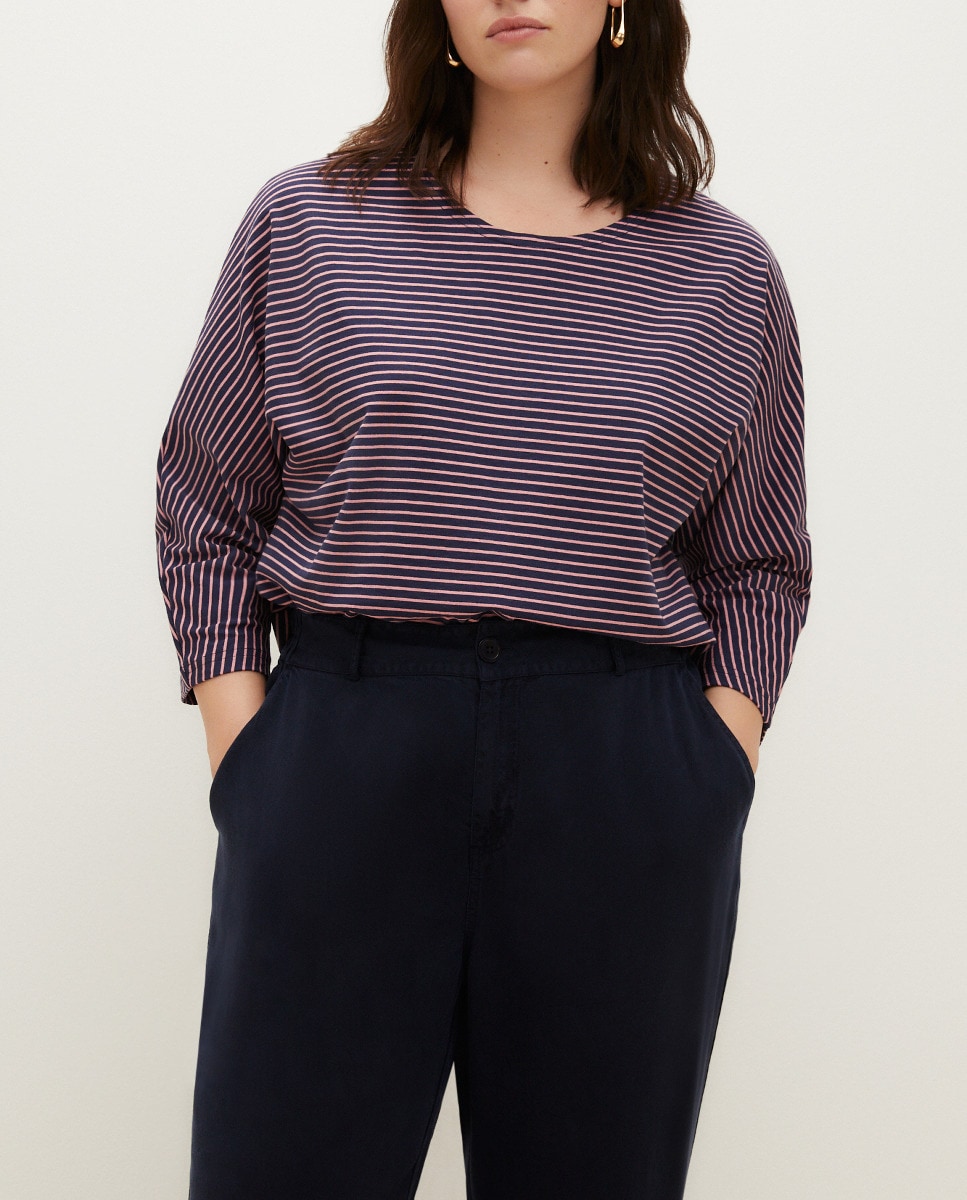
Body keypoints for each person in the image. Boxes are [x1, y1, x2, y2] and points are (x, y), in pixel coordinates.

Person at [155, 1, 813, 1196]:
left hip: (619, 778)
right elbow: (208, 499)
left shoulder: (723, 273)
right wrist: (249, 756)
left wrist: (712, 763)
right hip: (345, 748)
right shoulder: (309, 225)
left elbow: (758, 559)